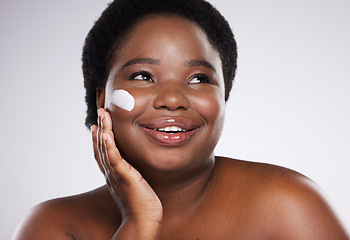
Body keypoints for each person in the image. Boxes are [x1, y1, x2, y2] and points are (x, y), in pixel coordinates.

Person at [12, 0, 349, 239]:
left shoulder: (288, 204)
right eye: (143, 76)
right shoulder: (54, 226)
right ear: (102, 97)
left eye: (199, 79)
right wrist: (138, 224)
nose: (173, 99)